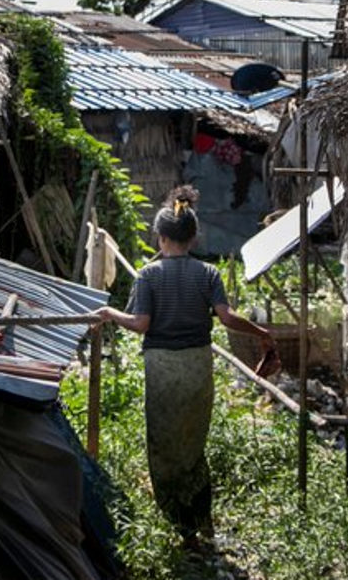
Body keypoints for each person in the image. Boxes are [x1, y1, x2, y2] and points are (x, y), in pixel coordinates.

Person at [94, 185, 275, 549]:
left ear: (160, 238)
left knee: (163, 446)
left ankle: (181, 528)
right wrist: (261, 332)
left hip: (162, 368)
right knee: (193, 444)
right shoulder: (208, 273)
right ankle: (201, 518)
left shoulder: (149, 276)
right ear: (192, 238)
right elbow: (226, 317)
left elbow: (141, 323)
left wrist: (111, 313)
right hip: (197, 365)